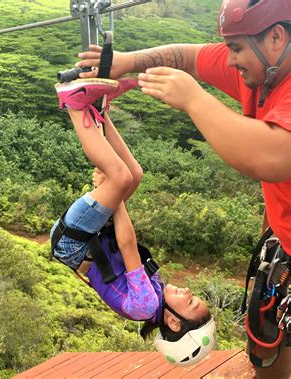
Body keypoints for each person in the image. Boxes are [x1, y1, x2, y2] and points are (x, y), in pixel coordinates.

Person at [75, 0, 290, 376]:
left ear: (276, 36)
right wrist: (126, 62)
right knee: (266, 346)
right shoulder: (262, 67)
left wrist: (193, 100)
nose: (230, 61)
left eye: (236, 49)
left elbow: (272, 156)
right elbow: (187, 57)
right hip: (281, 237)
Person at [50, 77, 216, 366]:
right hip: (92, 239)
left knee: (121, 178)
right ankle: (102, 112)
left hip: (74, 243)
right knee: (134, 175)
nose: (190, 292)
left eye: (190, 302)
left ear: (174, 323)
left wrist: (115, 195)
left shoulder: (146, 305)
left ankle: (74, 105)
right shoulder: (154, 298)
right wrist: (114, 194)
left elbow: (128, 245)